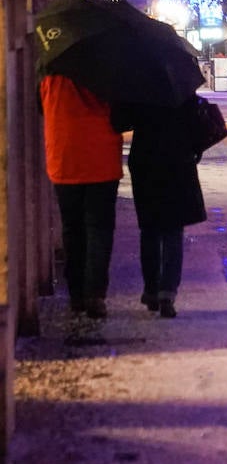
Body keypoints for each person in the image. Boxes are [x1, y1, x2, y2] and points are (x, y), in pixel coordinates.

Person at [111, 97, 208, 319]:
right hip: (177, 160)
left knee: (150, 228)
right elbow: (197, 121)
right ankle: (167, 293)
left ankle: (151, 289)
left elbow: (119, 121)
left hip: (146, 161)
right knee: (173, 230)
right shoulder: (179, 86)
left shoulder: (139, 86)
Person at [40, 74, 124, 319]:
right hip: (102, 161)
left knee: (72, 228)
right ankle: (95, 295)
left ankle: (76, 294)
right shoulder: (108, 76)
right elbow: (122, 117)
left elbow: (40, 107)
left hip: (64, 160)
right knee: (100, 230)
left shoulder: (50, 77)